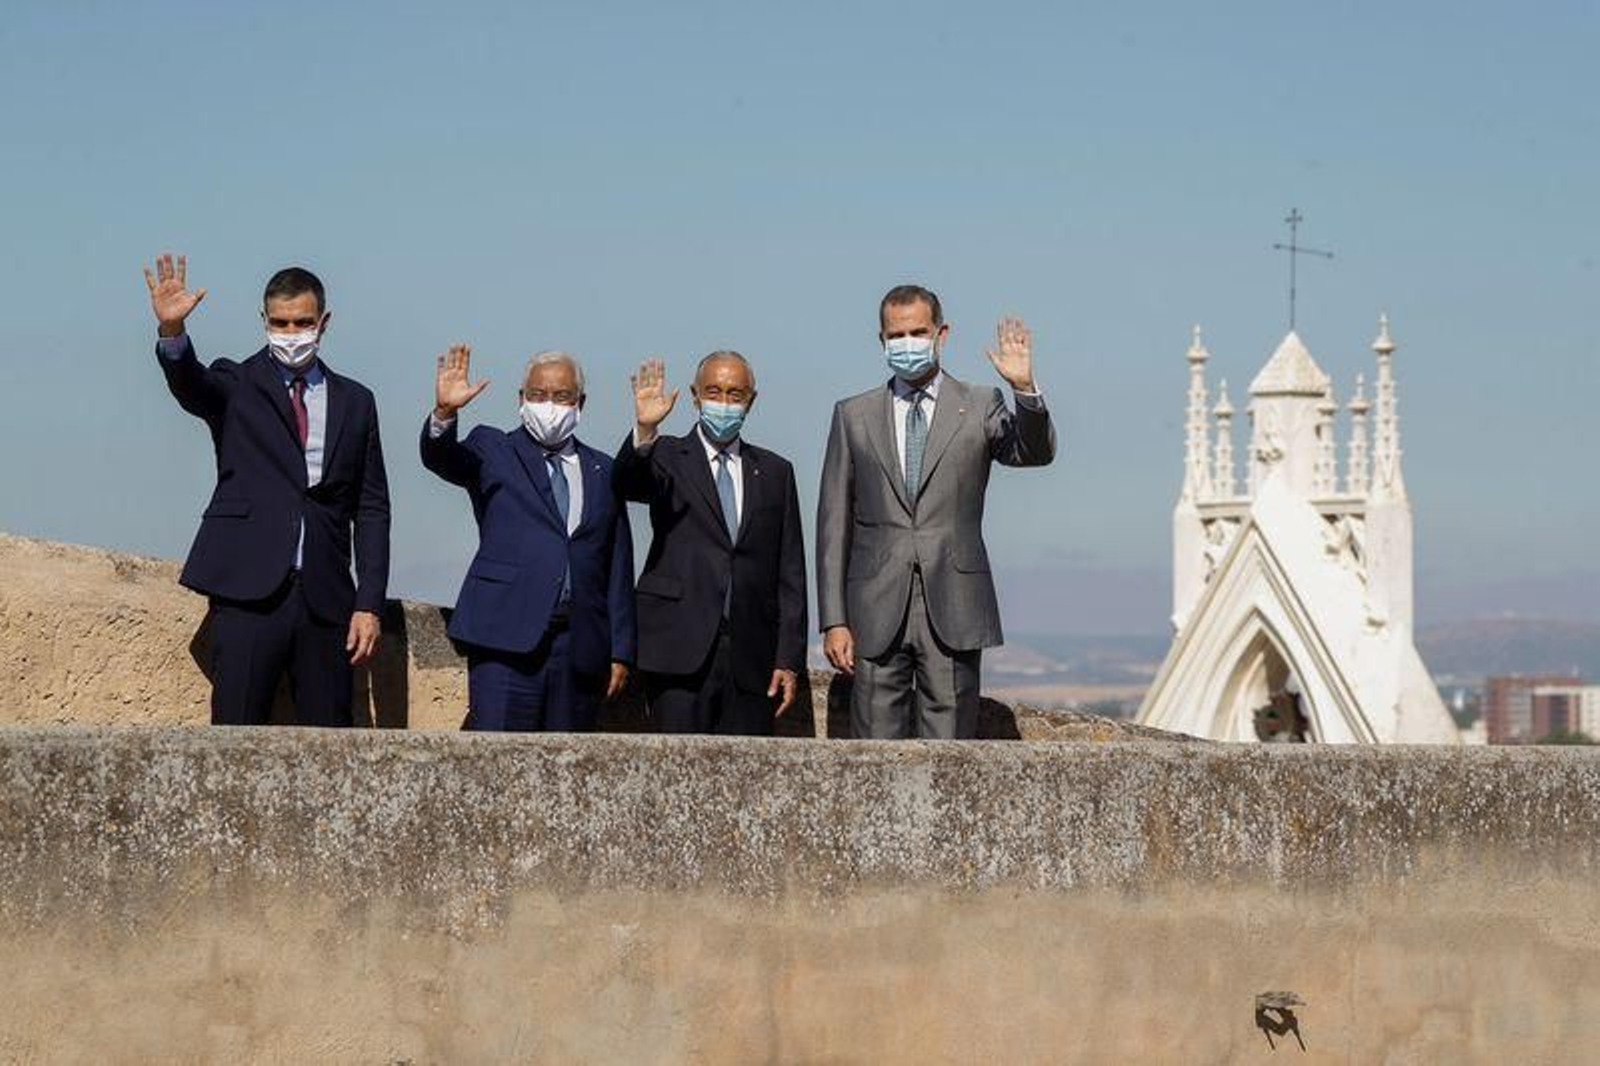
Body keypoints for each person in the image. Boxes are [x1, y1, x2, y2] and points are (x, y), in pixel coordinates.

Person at [145, 253, 391, 726]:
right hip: (247, 593)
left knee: (330, 751)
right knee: (235, 735)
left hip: (326, 599)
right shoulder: (236, 383)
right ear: (264, 321)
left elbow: (372, 506)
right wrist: (172, 334)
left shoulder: (357, 401)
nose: (291, 333)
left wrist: (369, 603)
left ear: (324, 322)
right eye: (280, 323)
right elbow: (190, 385)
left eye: (302, 322)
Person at [817, 284, 1056, 739]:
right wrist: (834, 619)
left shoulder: (982, 404)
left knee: (950, 755)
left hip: (955, 606)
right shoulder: (853, 415)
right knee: (874, 755)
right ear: (882, 340)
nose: (907, 343)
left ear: (941, 334)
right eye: (896, 334)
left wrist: (1023, 389)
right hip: (874, 608)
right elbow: (833, 523)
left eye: (917, 332)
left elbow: (1033, 453)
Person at [422, 345, 635, 731]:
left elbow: (616, 562)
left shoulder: (603, 469)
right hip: (505, 639)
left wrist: (620, 649)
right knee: (496, 765)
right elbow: (442, 457)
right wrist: (445, 413)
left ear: (580, 402)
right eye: (537, 395)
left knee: (568, 772)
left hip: (579, 646)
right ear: (521, 399)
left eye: (561, 396)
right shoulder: (493, 449)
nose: (548, 405)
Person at [614, 352, 807, 735]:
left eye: (735, 394)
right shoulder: (666, 455)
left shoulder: (774, 472)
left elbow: (790, 572)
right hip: (678, 649)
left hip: (751, 657)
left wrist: (788, 658)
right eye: (714, 391)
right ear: (695, 395)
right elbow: (628, 484)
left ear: (751, 400)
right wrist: (644, 431)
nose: (724, 402)